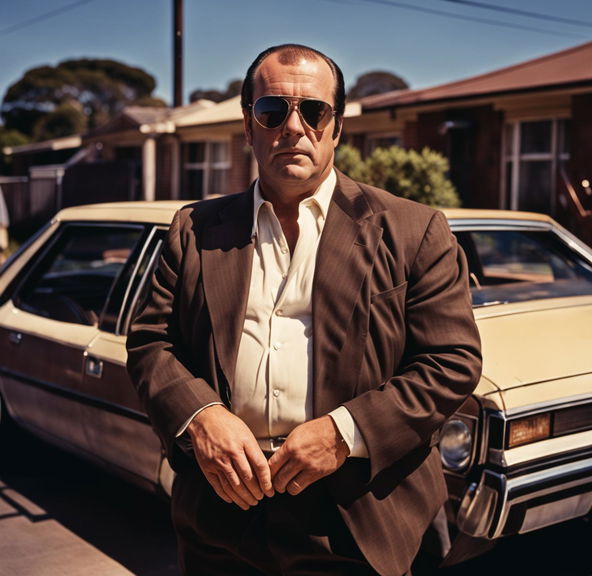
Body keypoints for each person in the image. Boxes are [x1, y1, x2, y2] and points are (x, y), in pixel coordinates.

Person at [127, 44, 482, 576]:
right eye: (272, 111)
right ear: (249, 126)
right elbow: (151, 342)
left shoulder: (413, 230)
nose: (293, 127)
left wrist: (344, 433)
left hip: (355, 521)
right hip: (222, 515)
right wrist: (200, 416)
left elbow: (451, 360)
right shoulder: (195, 229)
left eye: (313, 111)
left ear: (336, 128)